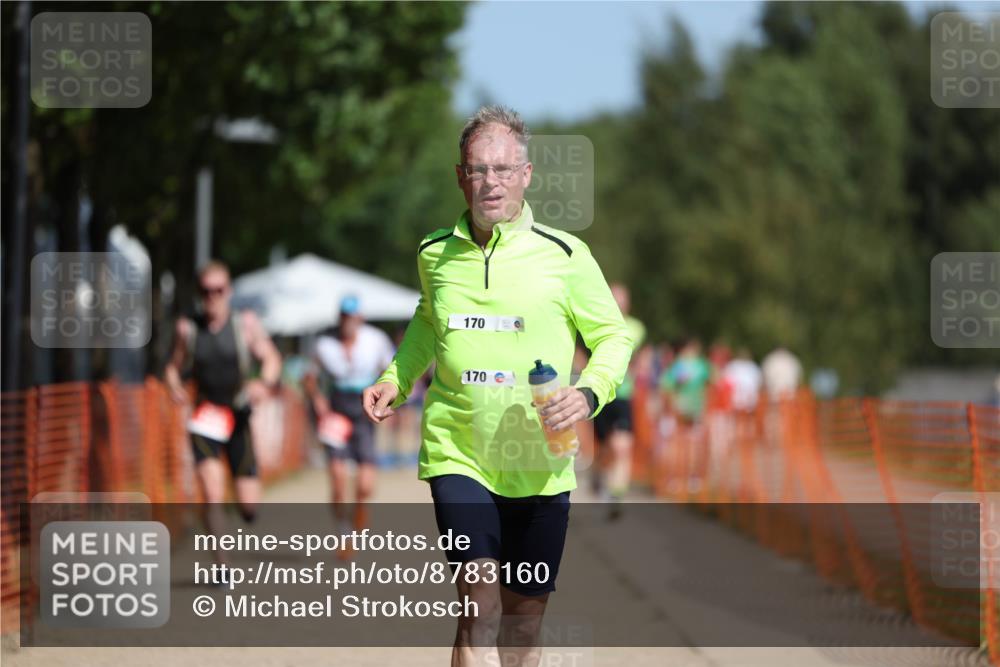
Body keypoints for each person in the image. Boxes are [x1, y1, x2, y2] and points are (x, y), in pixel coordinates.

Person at [361, 105, 632, 667]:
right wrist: (397, 376)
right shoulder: (434, 253)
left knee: (523, 621)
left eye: (504, 169)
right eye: (478, 169)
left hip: (542, 462)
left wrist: (587, 393)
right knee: (480, 607)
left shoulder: (566, 256)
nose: (491, 182)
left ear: (526, 175)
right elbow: (428, 321)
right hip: (458, 453)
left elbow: (613, 338)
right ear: (460, 175)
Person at [164, 260, 282, 566]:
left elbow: (270, 357)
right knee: (211, 493)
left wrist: (264, 383)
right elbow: (172, 369)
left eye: (219, 290)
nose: (213, 297)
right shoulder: (187, 328)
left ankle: (243, 509)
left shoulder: (245, 324)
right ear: (199, 293)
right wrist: (174, 386)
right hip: (205, 419)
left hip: (239, 415)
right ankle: (222, 566)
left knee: (249, 507)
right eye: (206, 291)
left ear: (228, 291)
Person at [304, 295, 395, 546]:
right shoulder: (324, 343)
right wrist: (317, 399)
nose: (348, 322)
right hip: (336, 409)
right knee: (337, 476)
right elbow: (309, 375)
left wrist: (384, 399)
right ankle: (343, 530)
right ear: (339, 317)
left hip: (364, 408)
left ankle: (359, 513)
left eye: (353, 317)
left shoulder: (376, 340)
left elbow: (391, 370)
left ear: (361, 318)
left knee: (365, 484)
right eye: (344, 316)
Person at [592, 283, 644, 518]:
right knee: (605, 447)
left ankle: (616, 494)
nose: (619, 303)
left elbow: (639, 358)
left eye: (623, 299)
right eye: (615, 298)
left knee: (622, 446)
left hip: (623, 394)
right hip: (600, 393)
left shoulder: (636, 328)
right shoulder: (594, 322)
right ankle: (597, 474)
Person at [659, 337, 712, 493]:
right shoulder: (700, 365)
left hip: (681, 408)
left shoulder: (679, 365)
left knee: (679, 443)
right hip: (693, 408)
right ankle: (690, 478)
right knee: (692, 444)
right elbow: (713, 380)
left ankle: (676, 478)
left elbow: (666, 385)